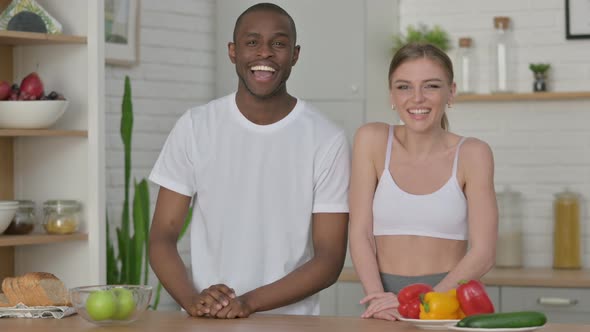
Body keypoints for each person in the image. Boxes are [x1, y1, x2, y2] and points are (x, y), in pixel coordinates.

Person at [148, 3, 350, 319]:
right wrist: (192, 300)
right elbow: (162, 235)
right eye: (252, 42)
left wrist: (249, 302)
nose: (265, 53)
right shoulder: (195, 126)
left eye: (279, 44)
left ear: (295, 55)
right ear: (233, 51)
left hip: (291, 323)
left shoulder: (327, 138)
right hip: (210, 321)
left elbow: (330, 258)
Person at [349, 42, 498, 321]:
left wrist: (420, 303)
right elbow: (360, 233)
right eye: (404, 87)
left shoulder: (473, 153)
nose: (417, 98)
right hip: (384, 303)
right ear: (392, 94)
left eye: (430, 86)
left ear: (450, 92)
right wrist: (380, 299)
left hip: (448, 301)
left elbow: (484, 252)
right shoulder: (371, 140)